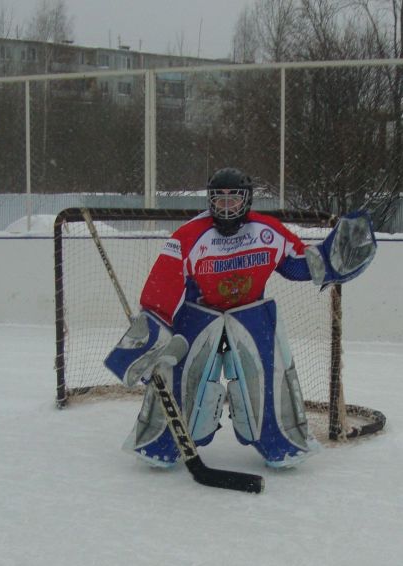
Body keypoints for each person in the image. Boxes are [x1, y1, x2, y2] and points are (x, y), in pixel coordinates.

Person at [104, 167, 377, 469]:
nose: (225, 207)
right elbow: (162, 289)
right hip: (199, 317)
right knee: (182, 382)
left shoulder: (266, 230)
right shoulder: (188, 237)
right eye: (219, 199)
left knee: (270, 382)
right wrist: (151, 336)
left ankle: (281, 443)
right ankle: (160, 442)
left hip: (250, 316)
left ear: (247, 200)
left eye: (233, 199)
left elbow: (297, 264)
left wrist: (331, 259)